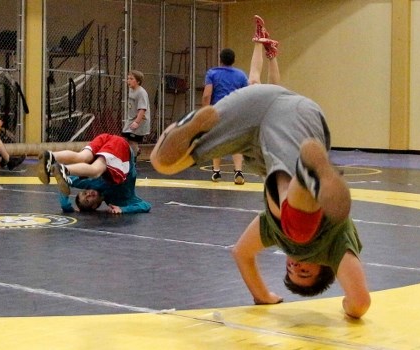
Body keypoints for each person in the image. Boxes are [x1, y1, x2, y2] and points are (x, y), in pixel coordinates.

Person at [148, 17, 370, 319]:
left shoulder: (273, 234)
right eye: (304, 271)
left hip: (256, 109)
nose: (295, 264)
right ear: (325, 268)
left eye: (290, 270)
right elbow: (360, 303)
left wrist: (262, 296)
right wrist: (348, 308)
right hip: (294, 119)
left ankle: (190, 127)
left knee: (164, 162)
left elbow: (241, 253)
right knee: (296, 226)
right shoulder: (335, 246)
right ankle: (306, 178)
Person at [38, 133, 150, 214]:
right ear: (95, 206)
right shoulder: (119, 199)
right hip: (110, 141)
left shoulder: (90, 184)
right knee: (82, 157)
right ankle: (52, 156)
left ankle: (62, 167)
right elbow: (145, 205)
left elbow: (65, 183)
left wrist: (67, 207)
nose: (88, 194)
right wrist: (123, 209)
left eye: (84, 193)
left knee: (95, 170)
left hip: (118, 146)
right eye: (87, 199)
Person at [202, 48, 248, 184]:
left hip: (218, 110)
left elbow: (206, 94)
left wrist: (206, 111)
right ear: (233, 60)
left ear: (220, 59)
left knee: (217, 141)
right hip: (235, 111)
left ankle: (216, 172)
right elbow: (246, 94)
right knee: (236, 142)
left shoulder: (212, 73)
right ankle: (238, 171)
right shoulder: (241, 75)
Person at [122, 70, 151, 156]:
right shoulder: (131, 90)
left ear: (138, 81)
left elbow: (142, 109)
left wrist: (137, 122)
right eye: (128, 79)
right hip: (131, 119)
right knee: (125, 138)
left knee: (132, 140)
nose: (128, 81)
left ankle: (133, 160)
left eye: (131, 79)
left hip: (140, 120)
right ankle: (136, 151)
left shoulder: (141, 92)